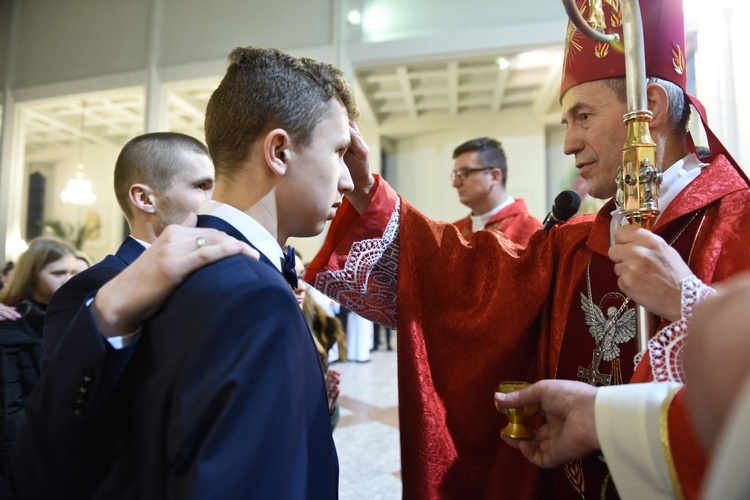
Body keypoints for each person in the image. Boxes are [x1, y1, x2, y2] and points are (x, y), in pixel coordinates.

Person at [304, 0, 750, 497]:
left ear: (650, 108)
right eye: (565, 122)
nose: (569, 143)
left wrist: (689, 301)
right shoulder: (578, 243)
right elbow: (473, 280)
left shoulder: (739, 223)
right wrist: (373, 196)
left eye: (583, 115)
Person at [16, 46, 357, 498]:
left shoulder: (210, 275)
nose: (348, 180)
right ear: (278, 150)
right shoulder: (250, 291)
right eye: (339, 152)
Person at [7, 132, 258, 499]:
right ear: (144, 198)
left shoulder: (212, 276)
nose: (212, 202)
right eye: (201, 187)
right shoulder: (94, 285)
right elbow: (70, 413)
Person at [0, 237, 77, 495]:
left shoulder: (78, 316)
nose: (68, 279)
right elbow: (12, 407)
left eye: (74, 272)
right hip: (27, 453)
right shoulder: (11, 323)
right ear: (33, 276)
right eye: (58, 273)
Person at [450, 137, 540, 246]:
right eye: (456, 174)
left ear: (494, 176)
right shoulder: (454, 233)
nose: (455, 183)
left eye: (465, 173)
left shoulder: (531, 231)